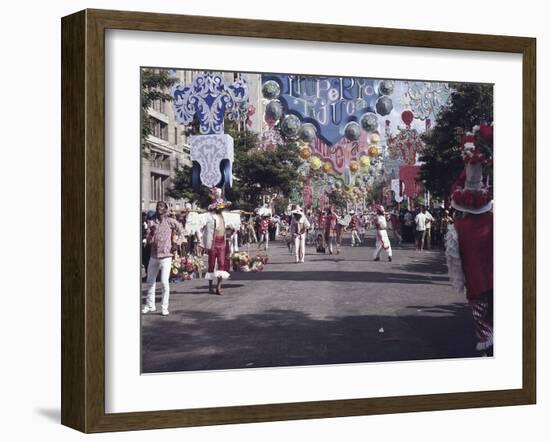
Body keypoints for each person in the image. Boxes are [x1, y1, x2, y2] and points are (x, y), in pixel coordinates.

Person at [445, 137, 493, 355]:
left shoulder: (457, 228)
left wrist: (460, 283)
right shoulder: (495, 220)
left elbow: (454, 263)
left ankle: (486, 356)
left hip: (476, 285)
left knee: (483, 325)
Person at [142, 201, 184, 316]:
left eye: (161, 206)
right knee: (150, 281)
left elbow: (182, 231)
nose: (158, 208)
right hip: (154, 256)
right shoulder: (152, 222)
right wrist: (151, 234)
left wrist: (177, 243)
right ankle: (150, 305)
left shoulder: (170, 222)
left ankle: (164, 307)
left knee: (164, 282)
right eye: (157, 206)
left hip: (166, 256)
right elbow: (149, 241)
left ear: (165, 209)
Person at [203, 195, 232, 296]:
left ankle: (218, 287)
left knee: (222, 264)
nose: (221, 208)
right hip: (213, 242)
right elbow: (207, 230)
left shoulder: (225, 216)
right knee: (211, 265)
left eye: (222, 207)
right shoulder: (211, 217)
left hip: (222, 243)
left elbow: (230, 227)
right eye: (219, 207)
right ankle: (210, 287)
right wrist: (208, 245)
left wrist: (229, 233)